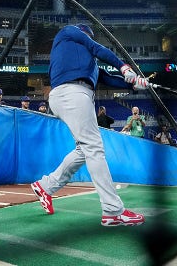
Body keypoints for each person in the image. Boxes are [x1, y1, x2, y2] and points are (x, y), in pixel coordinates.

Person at [30, 23, 149, 226]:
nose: (89, 40)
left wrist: (134, 84)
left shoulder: (89, 63)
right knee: (94, 148)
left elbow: (109, 79)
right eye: (88, 37)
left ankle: (46, 186)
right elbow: (97, 48)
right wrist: (124, 66)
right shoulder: (68, 33)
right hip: (73, 92)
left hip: (70, 95)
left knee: (84, 150)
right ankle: (113, 211)